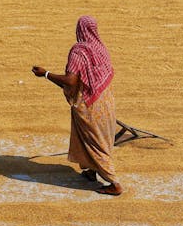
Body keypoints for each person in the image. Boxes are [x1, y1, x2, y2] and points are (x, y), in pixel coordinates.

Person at [31, 15, 122, 195]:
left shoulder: (78, 51)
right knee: (90, 138)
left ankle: (114, 183)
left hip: (89, 105)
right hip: (106, 101)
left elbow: (71, 81)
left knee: (95, 141)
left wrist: (46, 74)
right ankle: (91, 171)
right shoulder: (101, 48)